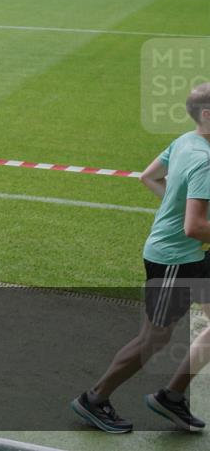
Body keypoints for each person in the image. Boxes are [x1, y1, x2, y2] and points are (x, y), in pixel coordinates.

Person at [72, 83, 210, 434]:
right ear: (207, 115)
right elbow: (194, 227)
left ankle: (171, 396)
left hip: (190, 255)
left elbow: (148, 177)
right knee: (155, 339)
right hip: (175, 259)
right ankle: (95, 398)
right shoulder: (204, 161)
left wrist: (173, 206)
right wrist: (181, 216)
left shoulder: (185, 141)